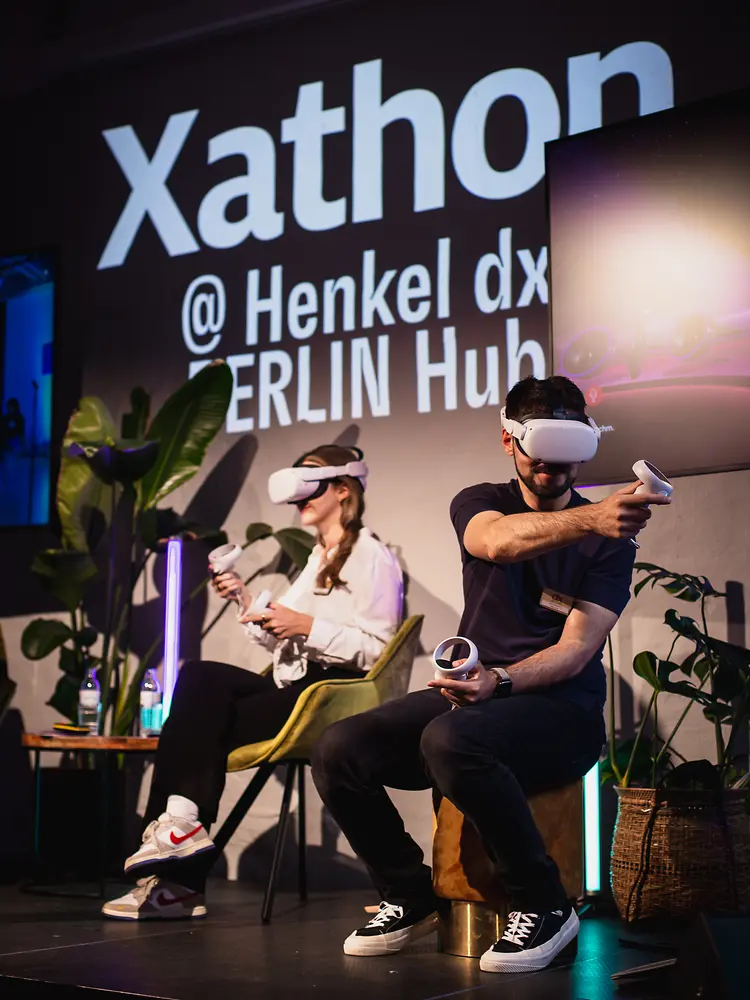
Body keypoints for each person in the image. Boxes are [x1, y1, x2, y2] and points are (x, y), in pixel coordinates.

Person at [311, 376, 671, 973]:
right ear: (509, 440)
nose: (553, 468)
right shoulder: (482, 500)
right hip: (476, 698)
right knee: (340, 747)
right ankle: (406, 891)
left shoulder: (610, 539)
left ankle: (546, 906)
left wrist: (499, 682)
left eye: (566, 455)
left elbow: (578, 648)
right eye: (540, 452)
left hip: (560, 713)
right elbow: (497, 543)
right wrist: (592, 518)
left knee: (450, 738)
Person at [103, 444, 403, 920]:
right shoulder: (316, 558)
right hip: (296, 687)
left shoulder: (373, 556)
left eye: (311, 487)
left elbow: (378, 649)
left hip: (331, 696)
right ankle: (179, 834)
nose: (299, 500)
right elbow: (279, 640)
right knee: (199, 689)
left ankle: (176, 872)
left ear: (343, 490)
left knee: (201, 712)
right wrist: (247, 600)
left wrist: (306, 626)